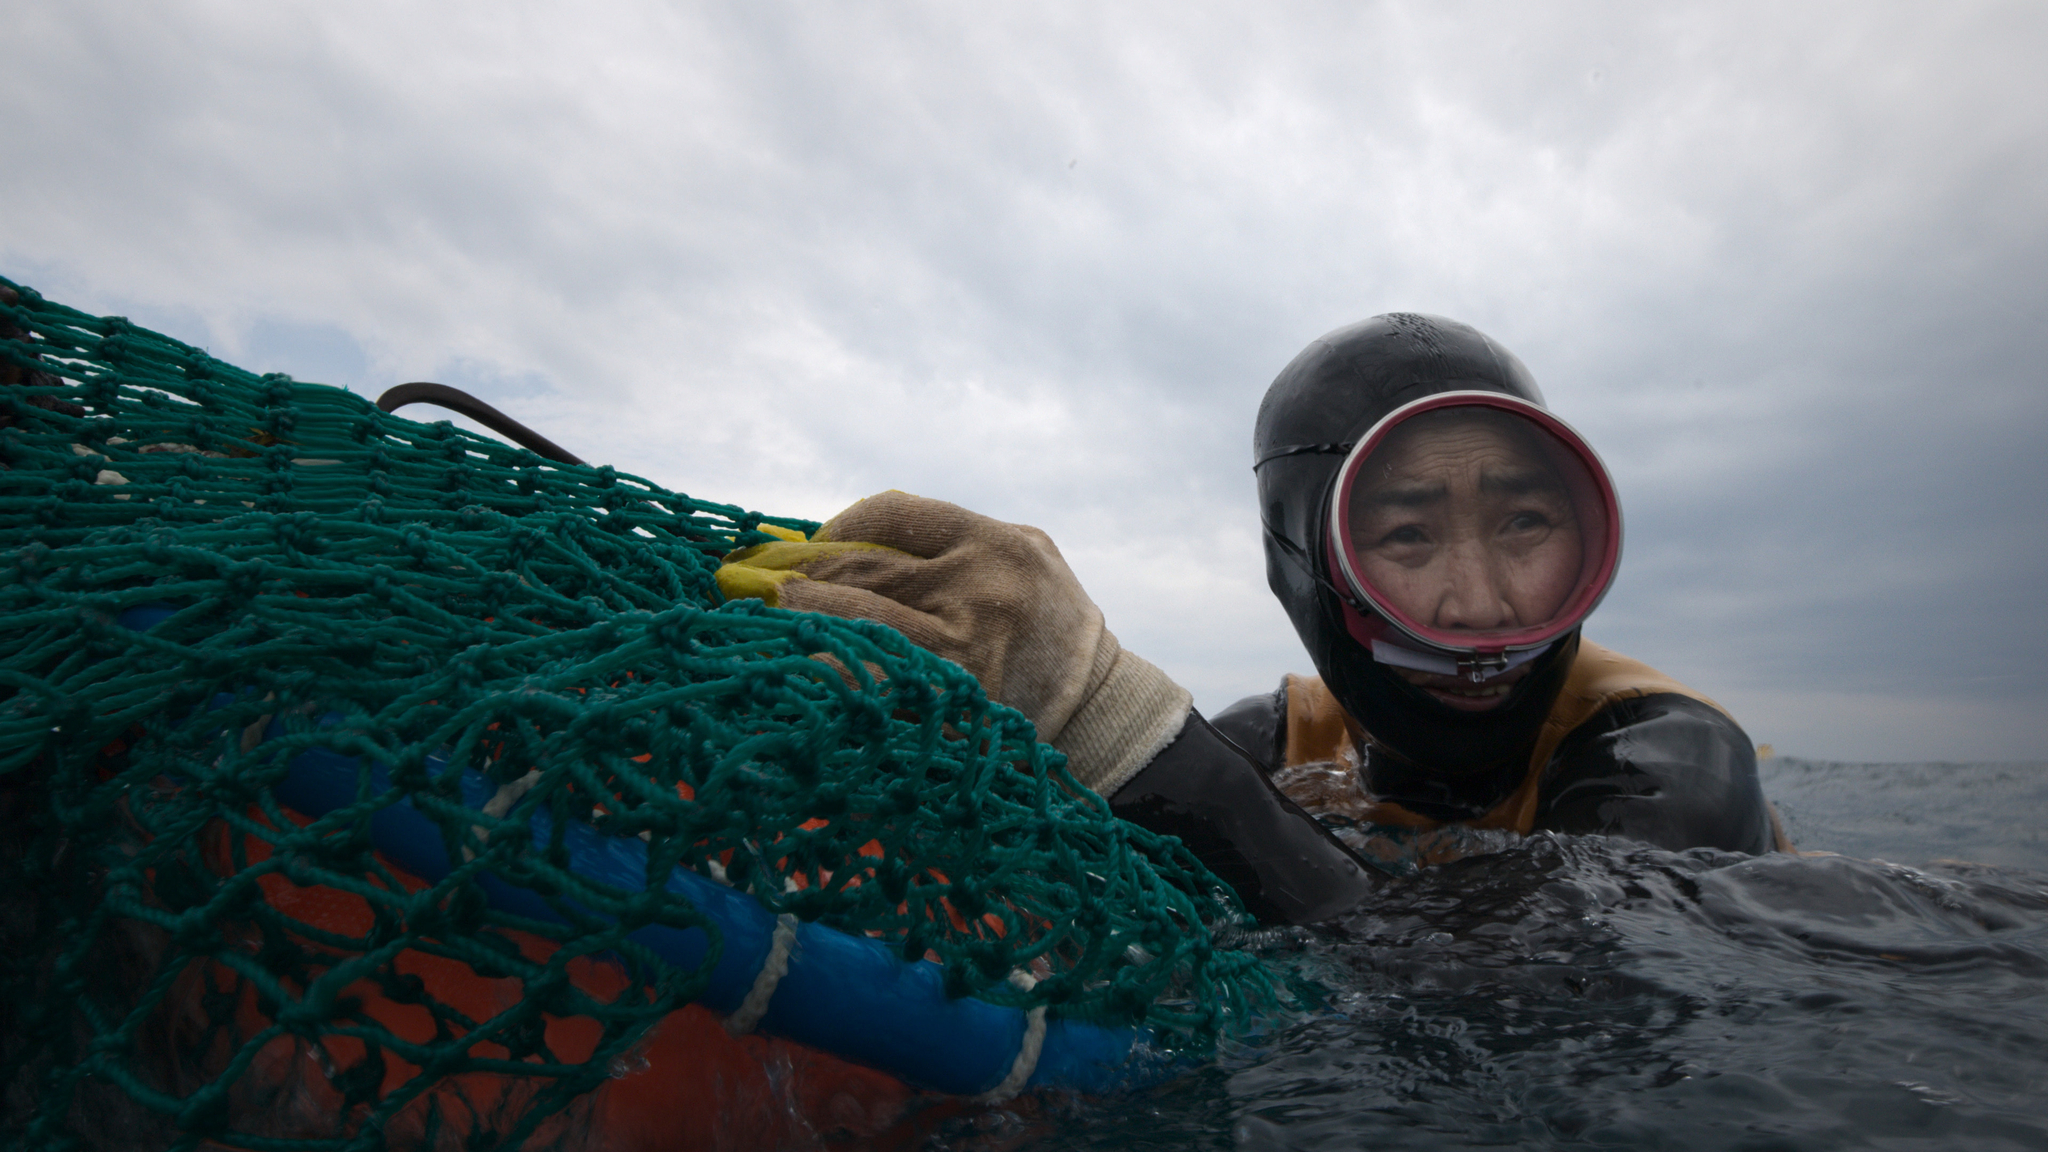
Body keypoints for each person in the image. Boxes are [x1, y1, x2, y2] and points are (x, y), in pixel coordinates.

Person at [715, 313, 1786, 926]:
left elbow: (1504, 1019)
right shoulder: (1277, 741)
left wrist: (1122, 729)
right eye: (1407, 537)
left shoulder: (1670, 758)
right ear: (1299, 564)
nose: (1483, 603)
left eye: (1523, 523)